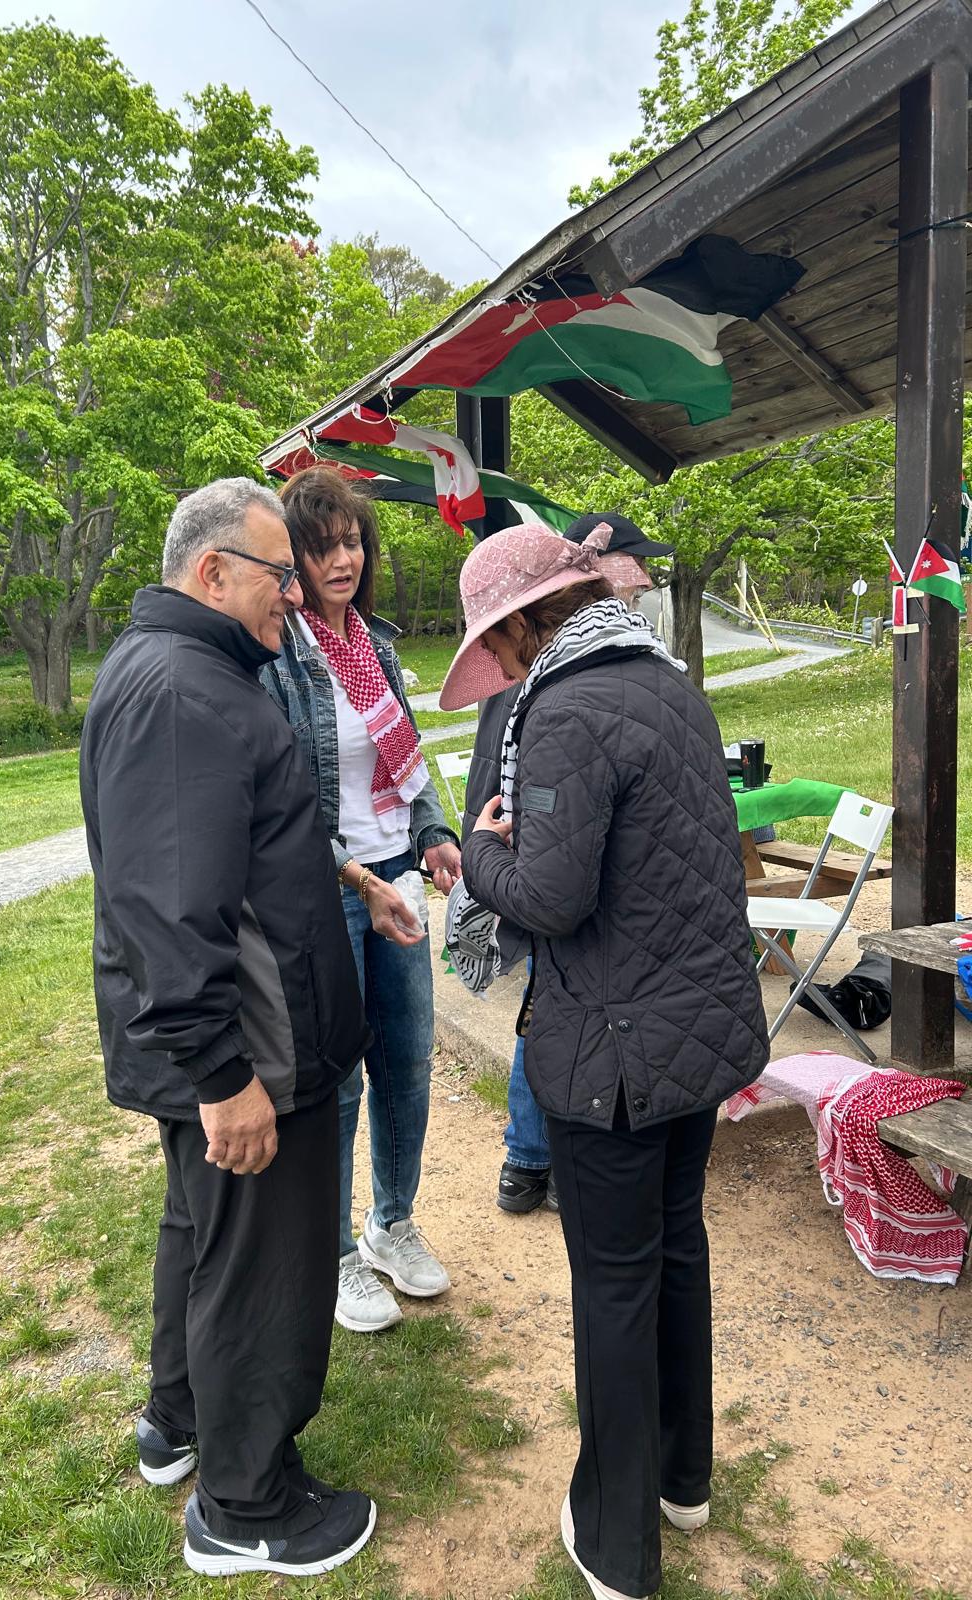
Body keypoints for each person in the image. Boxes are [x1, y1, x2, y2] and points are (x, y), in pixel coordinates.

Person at [443, 524, 768, 1600]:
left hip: (611, 1054)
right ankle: (683, 1478)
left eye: (503, 639)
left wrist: (477, 845)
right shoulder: (670, 686)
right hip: (691, 1038)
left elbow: (549, 895)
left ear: (532, 620)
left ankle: (617, 1540)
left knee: (615, 1286)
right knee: (678, 1251)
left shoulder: (569, 711)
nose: (505, 663)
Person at [79, 478, 377, 1580]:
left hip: (242, 1038)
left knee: (201, 1237)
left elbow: (231, 845)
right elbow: (169, 902)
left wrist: (347, 874)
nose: (295, 599)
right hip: (250, 1049)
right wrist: (223, 1073)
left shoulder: (196, 673)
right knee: (261, 1268)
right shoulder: (183, 691)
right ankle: (246, 1504)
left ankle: (180, 1421)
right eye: (279, 577)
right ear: (213, 572)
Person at [261, 467, 461, 1335]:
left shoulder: (374, 645)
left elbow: (408, 761)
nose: (341, 559)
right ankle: (337, 1249)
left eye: (352, 542)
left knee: (408, 1059)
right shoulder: (281, 654)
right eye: (321, 545)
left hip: (398, 876)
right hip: (331, 886)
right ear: (293, 559)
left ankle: (392, 1222)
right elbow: (285, 798)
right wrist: (360, 873)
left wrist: (435, 834)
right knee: (338, 1072)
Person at [459, 513, 673, 1215]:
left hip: (622, 996)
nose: (633, 591)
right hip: (537, 859)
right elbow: (552, 883)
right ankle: (526, 1156)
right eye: (626, 579)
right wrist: (483, 852)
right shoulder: (583, 686)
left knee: (545, 1006)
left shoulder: (579, 676)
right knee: (543, 1007)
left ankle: (526, 1159)